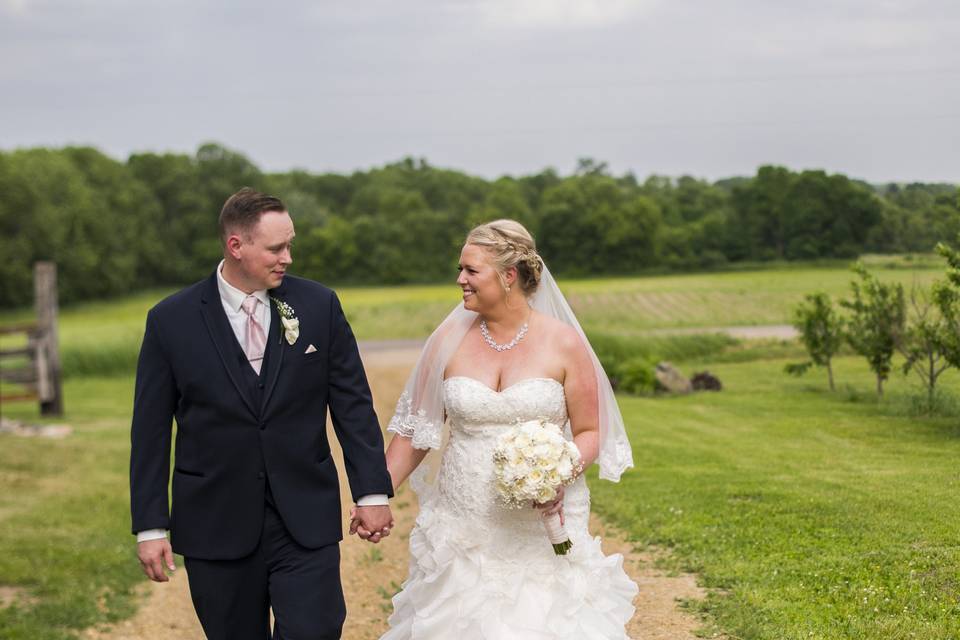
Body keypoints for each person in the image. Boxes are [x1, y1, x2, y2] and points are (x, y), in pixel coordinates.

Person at [130, 187, 394, 640]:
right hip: (215, 522)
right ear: (236, 246)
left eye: (289, 244)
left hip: (304, 517)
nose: (287, 257)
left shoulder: (318, 306)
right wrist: (150, 526)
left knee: (316, 630)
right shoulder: (170, 320)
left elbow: (352, 403)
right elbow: (150, 432)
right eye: (276, 247)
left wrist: (372, 493)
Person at [370, 220, 638, 639]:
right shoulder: (446, 343)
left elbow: (590, 431)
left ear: (508, 276)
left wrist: (556, 475)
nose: (459, 279)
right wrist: (375, 494)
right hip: (463, 527)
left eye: (470, 270)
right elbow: (413, 432)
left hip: (537, 527)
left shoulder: (564, 343)